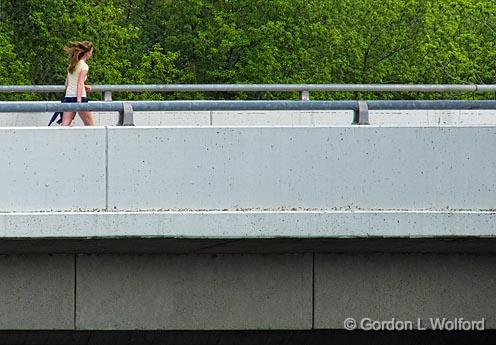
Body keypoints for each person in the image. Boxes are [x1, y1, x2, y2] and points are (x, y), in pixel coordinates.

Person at [61, 41, 94, 126]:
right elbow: (79, 83)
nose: (91, 54)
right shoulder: (84, 66)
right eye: (91, 52)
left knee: (64, 126)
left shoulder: (72, 65)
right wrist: (79, 102)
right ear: (87, 53)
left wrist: (84, 86)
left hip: (68, 96)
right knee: (90, 126)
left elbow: (67, 84)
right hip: (80, 97)